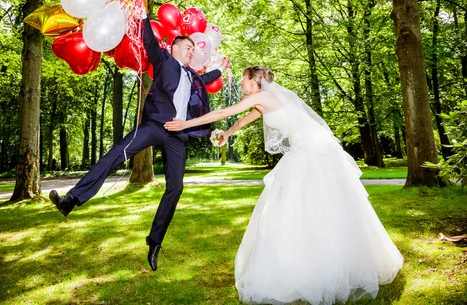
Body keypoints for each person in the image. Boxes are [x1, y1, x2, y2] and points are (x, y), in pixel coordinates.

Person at [164, 66, 403, 304]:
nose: (240, 81)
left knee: (301, 204)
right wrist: (228, 133)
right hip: (316, 149)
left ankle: (314, 268)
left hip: (310, 152)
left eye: (243, 78)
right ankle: (326, 261)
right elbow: (246, 118)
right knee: (319, 204)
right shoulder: (265, 99)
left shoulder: (262, 96)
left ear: (253, 80)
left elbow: (224, 112)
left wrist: (186, 124)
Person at [49, 14, 228, 272]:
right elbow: (148, 40)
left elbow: (207, 77)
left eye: (192, 49)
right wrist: (143, 15)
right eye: (188, 47)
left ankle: (154, 242)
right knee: (115, 154)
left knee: (175, 188)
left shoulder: (192, 76)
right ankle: (71, 199)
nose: (192, 52)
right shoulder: (164, 59)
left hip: (177, 136)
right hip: (154, 126)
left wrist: (221, 68)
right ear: (175, 47)